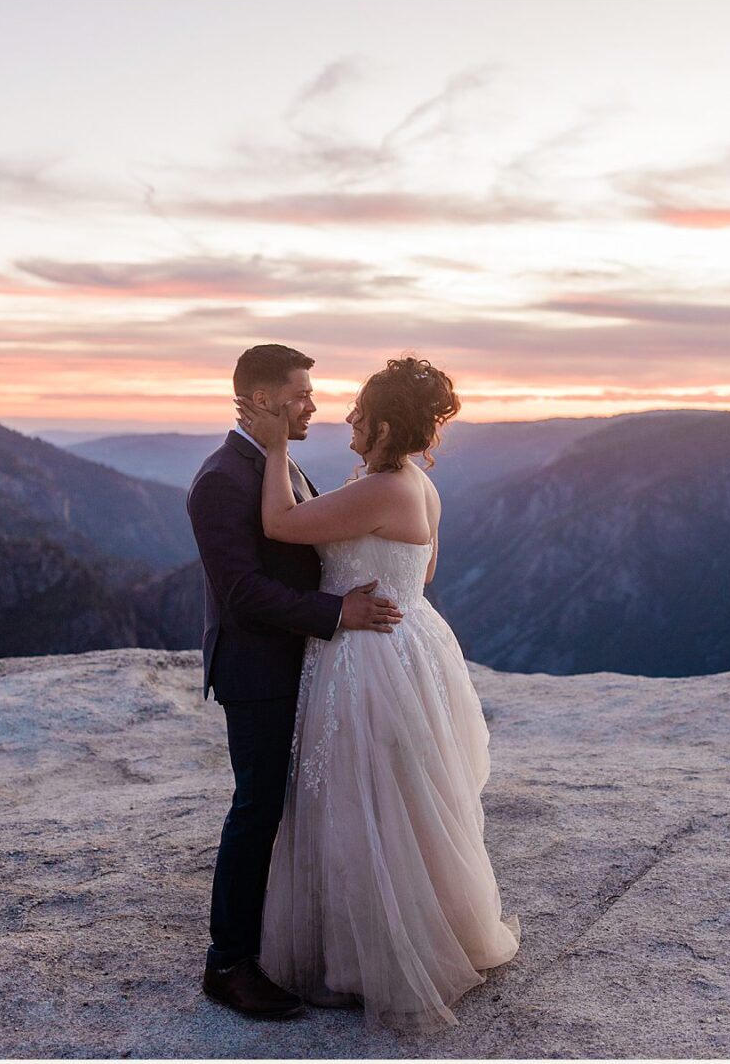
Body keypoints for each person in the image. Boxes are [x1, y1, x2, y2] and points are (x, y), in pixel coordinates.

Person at [235, 355, 520, 1032]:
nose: (346, 418)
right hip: (412, 642)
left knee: (361, 799)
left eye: (359, 413)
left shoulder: (380, 487)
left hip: (367, 655)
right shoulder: (416, 484)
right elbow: (423, 568)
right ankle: (431, 927)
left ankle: (369, 957)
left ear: (385, 425)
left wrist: (274, 449)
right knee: (406, 800)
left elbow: (279, 523)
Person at [187, 344, 405, 1020]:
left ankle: (288, 943)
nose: (313, 405)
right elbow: (244, 592)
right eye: (300, 395)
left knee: (291, 808)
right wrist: (339, 612)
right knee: (256, 810)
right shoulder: (222, 478)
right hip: (257, 670)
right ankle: (227, 963)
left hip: (303, 663)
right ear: (258, 400)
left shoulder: (278, 463)